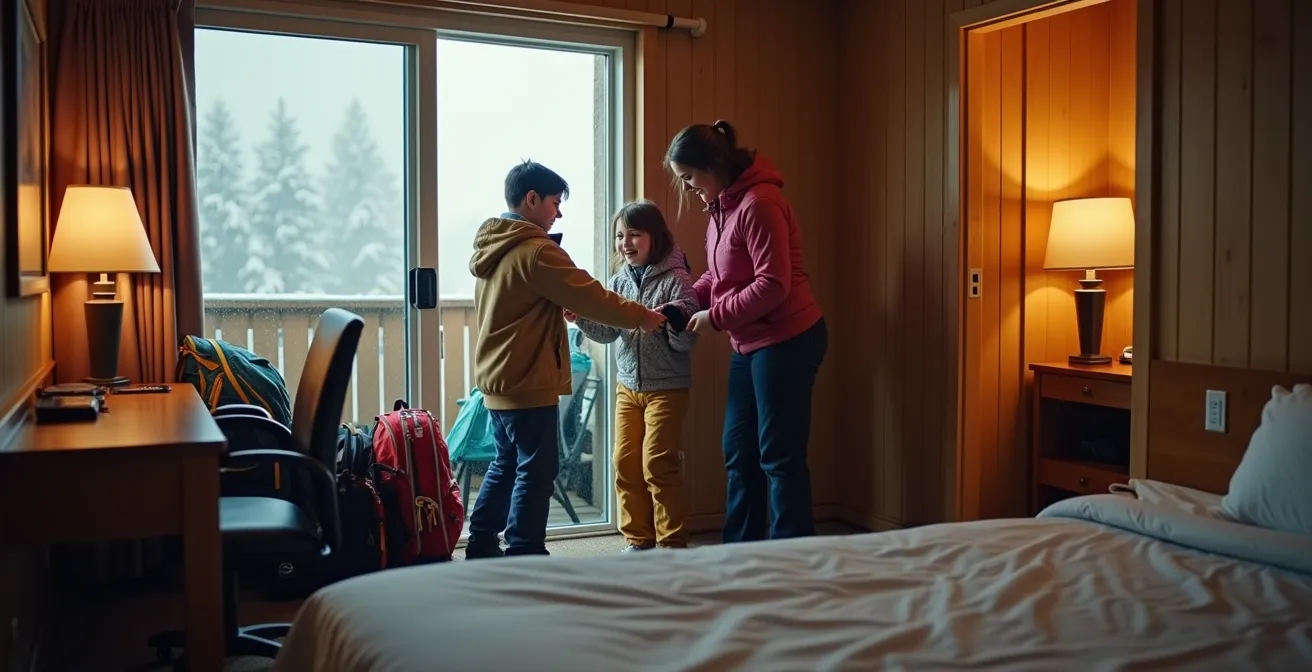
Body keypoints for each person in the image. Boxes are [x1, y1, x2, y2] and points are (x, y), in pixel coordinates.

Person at [465, 160, 667, 558]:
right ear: (532, 199)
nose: (559, 212)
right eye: (555, 202)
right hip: (527, 380)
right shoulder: (536, 250)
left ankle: (482, 542)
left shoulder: (494, 248)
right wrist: (642, 316)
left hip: (496, 378)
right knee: (536, 471)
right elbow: (591, 295)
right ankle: (524, 550)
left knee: (505, 465)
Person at [665, 120, 828, 543]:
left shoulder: (760, 203)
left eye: (688, 178)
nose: (686, 188)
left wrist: (715, 317)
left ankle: (791, 554)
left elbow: (773, 285)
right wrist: (684, 303)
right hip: (750, 342)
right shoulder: (722, 207)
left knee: (779, 455)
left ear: (713, 166)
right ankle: (740, 554)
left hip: (787, 339)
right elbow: (720, 278)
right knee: (739, 452)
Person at [567, 201, 700, 552]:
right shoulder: (618, 280)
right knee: (624, 463)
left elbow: (687, 340)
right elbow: (610, 333)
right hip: (627, 387)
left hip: (667, 388)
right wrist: (579, 317)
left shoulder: (678, 279)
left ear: (654, 237)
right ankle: (638, 540)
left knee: (657, 463)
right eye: (619, 236)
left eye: (634, 235)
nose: (625, 243)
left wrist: (670, 320)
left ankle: (671, 543)